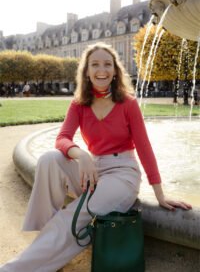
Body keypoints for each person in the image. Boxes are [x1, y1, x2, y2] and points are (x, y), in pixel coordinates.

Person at [0, 42, 192, 272]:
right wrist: (81, 154)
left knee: (74, 216)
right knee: (49, 160)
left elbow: (144, 148)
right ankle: (46, 237)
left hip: (122, 173)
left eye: (107, 64)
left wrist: (160, 194)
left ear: (115, 71)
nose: (102, 70)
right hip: (91, 169)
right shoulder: (79, 104)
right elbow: (62, 138)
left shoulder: (128, 103)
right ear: (87, 71)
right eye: (95, 64)